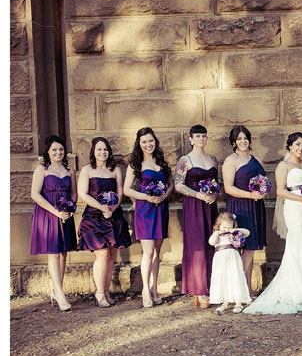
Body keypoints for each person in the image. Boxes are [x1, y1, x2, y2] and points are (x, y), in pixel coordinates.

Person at [244, 132, 302, 314]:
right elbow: (280, 191)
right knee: (298, 243)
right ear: (289, 146)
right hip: (295, 208)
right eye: (297, 144)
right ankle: (297, 291)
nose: (300, 148)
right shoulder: (283, 165)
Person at [77, 137, 132, 308]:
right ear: (93, 151)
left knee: (110, 255)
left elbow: (120, 192)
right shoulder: (87, 170)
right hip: (94, 217)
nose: (103, 152)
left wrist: (112, 208)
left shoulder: (115, 169)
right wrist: (101, 207)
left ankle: (106, 291)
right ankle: (99, 292)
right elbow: (83, 194)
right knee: (101, 254)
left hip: (113, 215)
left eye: (105, 149)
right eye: (99, 149)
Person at [123, 127, 174, 308]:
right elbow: (126, 189)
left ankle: (154, 288)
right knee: (148, 250)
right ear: (139, 143)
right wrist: (146, 197)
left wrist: (164, 195)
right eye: (144, 142)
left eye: (150, 141)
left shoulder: (162, 162)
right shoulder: (135, 164)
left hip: (160, 208)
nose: (148, 144)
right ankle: (145, 289)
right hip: (145, 210)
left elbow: (171, 184)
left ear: (155, 141)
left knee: (157, 251)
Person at [30, 135, 78, 311]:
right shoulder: (42, 169)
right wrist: (55, 211)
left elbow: (73, 193)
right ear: (48, 152)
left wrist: (70, 208)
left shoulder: (69, 170)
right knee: (54, 253)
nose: (58, 152)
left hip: (65, 213)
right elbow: (35, 194)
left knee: (63, 252)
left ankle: (58, 290)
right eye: (54, 150)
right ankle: (59, 292)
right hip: (48, 214)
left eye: (61, 149)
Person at [174, 124, 219, 309]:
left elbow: (216, 182)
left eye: (204, 136)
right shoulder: (185, 160)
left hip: (210, 206)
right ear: (191, 139)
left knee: (212, 243)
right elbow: (178, 185)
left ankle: (212, 286)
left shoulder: (213, 159)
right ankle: (199, 290)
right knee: (198, 245)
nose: (201, 139)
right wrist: (198, 195)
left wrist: (214, 194)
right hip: (194, 206)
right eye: (198, 136)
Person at [221, 126, 267, 299]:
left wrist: (262, 192)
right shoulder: (230, 160)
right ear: (234, 141)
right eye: (239, 138)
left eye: (245, 138)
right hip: (240, 208)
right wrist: (250, 195)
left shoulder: (256, 160)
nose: (243, 141)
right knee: (244, 249)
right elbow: (228, 188)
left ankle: (247, 288)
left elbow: (263, 182)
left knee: (251, 249)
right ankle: (237, 289)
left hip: (256, 207)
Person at [208, 212, 252, 314]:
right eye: (224, 227)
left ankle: (238, 303)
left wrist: (235, 230)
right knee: (223, 279)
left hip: (233, 260)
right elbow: (211, 242)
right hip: (220, 261)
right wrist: (216, 233)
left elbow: (247, 232)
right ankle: (225, 302)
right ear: (219, 226)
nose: (226, 229)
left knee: (235, 277)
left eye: (229, 227)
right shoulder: (217, 235)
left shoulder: (234, 234)